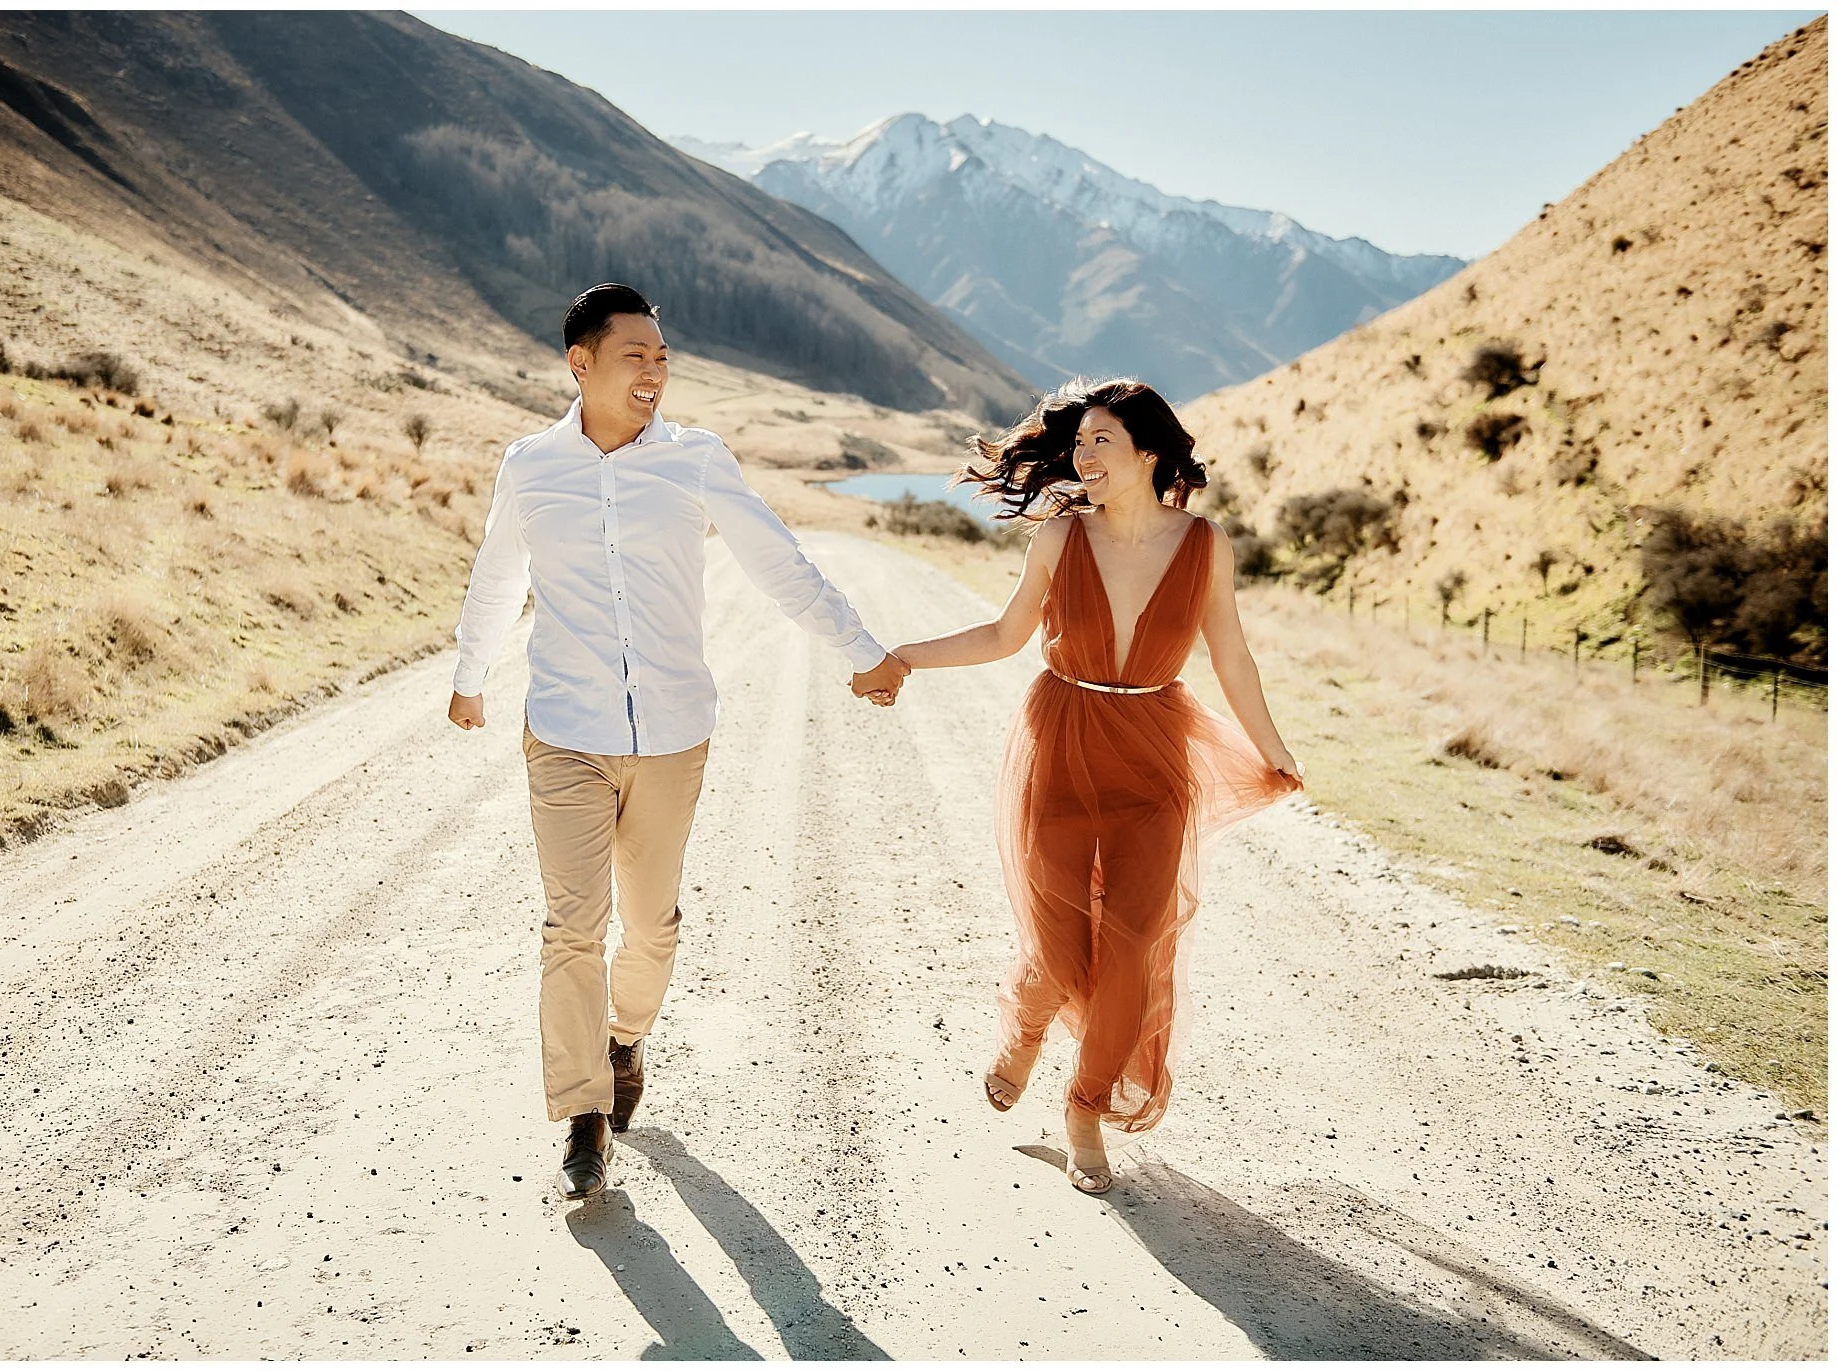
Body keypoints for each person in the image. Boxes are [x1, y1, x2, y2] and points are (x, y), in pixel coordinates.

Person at [448, 283, 911, 1200]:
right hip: (567, 731)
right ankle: (583, 1114)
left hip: (671, 734)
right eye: (637, 355)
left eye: (663, 356)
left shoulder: (696, 461)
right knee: (571, 924)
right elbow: (498, 573)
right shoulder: (531, 465)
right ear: (580, 364)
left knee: (651, 926)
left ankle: (624, 1037)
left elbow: (778, 560)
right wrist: (472, 677)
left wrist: (862, 649)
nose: (656, 371)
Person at [890, 377, 1302, 1195]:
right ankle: (1030, 1018)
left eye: (1101, 441)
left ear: (1150, 451)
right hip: (1063, 746)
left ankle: (1085, 1107)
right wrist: (904, 657)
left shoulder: (1204, 545)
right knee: (1063, 945)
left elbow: (1233, 658)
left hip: (1154, 759)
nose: (1082, 456)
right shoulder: (1060, 537)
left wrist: (1275, 751)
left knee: (1135, 945)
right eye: (1077, 443)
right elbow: (1006, 634)